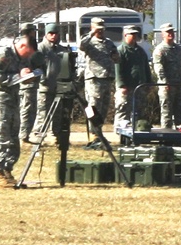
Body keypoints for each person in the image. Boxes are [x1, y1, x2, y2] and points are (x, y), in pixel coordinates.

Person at [0, 36, 36, 187]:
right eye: (29, 53)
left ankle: (8, 170)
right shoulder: (4, 54)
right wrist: (19, 75)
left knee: (14, 135)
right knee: (2, 133)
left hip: (12, 99)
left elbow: (18, 77)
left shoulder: (21, 58)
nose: (29, 56)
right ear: (22, 46)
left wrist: (28, 77)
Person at [78, 17, 119, 148]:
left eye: (102, 29)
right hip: (94, 79)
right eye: (98, 29)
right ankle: (94, 133)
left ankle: (99, 132)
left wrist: (115, 57)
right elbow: (81, 45)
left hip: (107, 78)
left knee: (104, 108)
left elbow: (116, 57)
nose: (100, 32)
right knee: (93, 106)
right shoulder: (89, 42)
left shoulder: (108, 42)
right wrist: (91, 33)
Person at [33, 22, 72, 140]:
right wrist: (42, 78)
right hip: (44, 86)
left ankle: (55, 135)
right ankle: (39, 135)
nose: (53, 36)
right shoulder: (41, 48)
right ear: (46, 34)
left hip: (58, 86)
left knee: (58, 113)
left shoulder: (61, 49)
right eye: (51, 33)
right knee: (43, 112)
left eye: (55, 33)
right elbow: (35, 66)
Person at [152, 22, 181, 129]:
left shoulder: (178, 49)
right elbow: (159, 68)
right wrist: (165, 82)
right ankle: (166, 136)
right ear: (162, 34)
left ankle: (180, 136)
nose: (170, 34)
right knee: (167, 113)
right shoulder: (160, 50)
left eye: (171, 31)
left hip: (180, 85)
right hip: (167, 86)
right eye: (167, 32)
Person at [114, 25, 151, 130]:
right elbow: (118, 69)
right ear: (125, 35)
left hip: (139, 87)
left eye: (136, 34)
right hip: (126, 88)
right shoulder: (120, 50)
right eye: (132, 34)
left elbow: (146, 68)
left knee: (138, 111)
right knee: (123, 110)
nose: (135, 36)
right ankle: (120, 132)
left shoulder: (140, 51)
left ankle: (137, 131)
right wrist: (122, 85)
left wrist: (148, 83)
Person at [17, 22, 45, 143]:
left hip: (30, 83)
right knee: (27, 111)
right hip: (27, 84)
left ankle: (25, 135)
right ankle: (23, 136)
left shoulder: (22, 44)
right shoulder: (26, 46)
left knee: (29, 110)